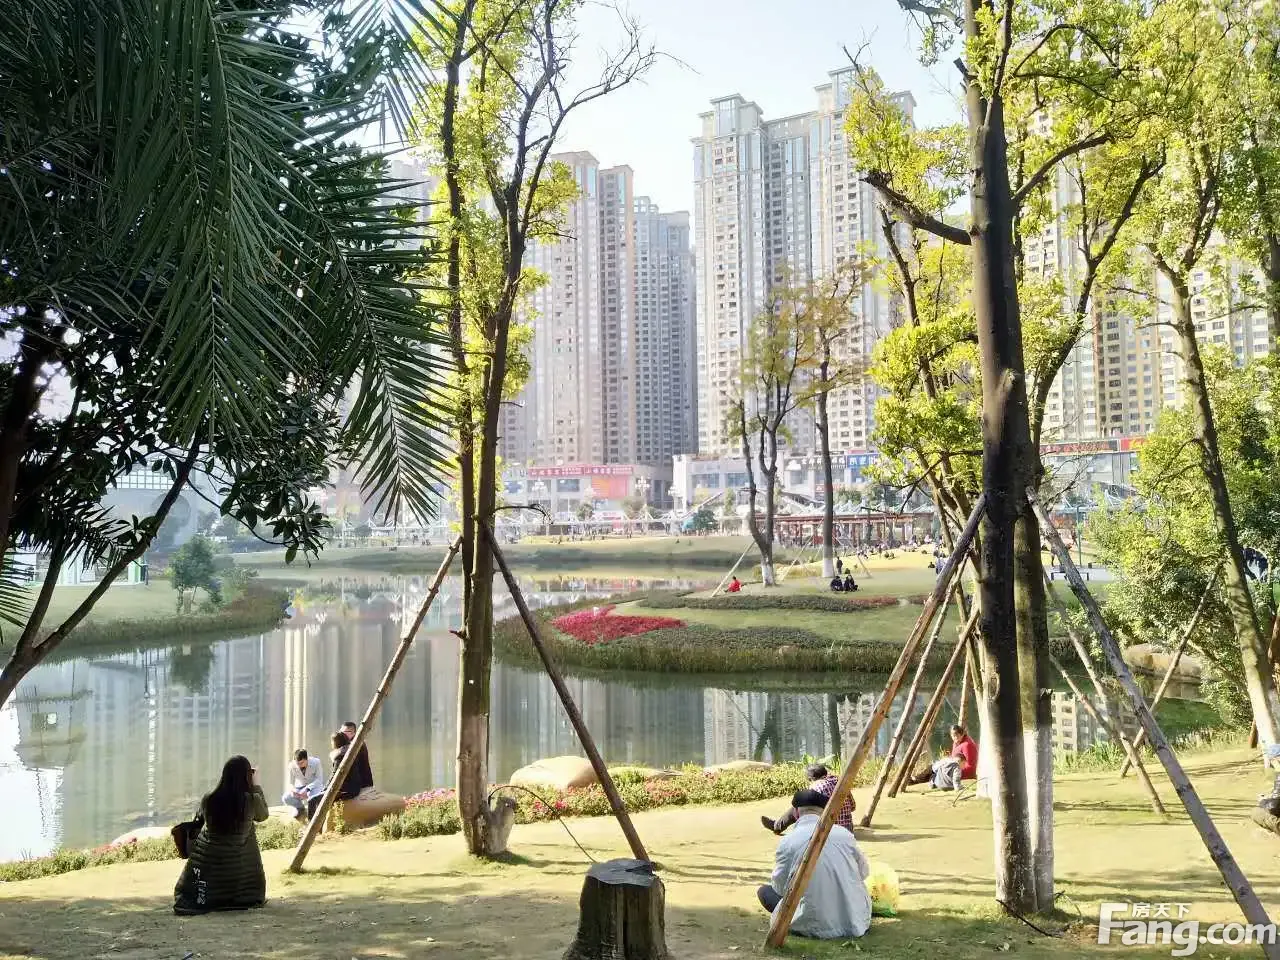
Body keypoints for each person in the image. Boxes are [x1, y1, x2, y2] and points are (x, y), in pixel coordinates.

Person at [756, 788, 872, 939]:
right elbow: (864, 872)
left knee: (764, 892)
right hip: (855, 919)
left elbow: (780, 887)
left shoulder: (788, 841)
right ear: (823, 812)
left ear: (795, 813)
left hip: (813, 923)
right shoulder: (845, 834)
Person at [173, 755, 269, 915]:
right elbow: (263, 815)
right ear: (247, 776)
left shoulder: (209, 799)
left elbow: (202, 819)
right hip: (241, 879)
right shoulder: (251, 800)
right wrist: (256, 786)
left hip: (208, 868)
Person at [761, 763, 854, 835]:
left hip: (828, 832)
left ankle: (777, 826)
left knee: (797, 808)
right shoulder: (840, 782)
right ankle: (777, 825)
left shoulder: (816, 787)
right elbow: (853, 806)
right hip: (848, 829)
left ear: (811, 779)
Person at [907, 724, 978, 791]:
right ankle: (914, 780)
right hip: (953, 767)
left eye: (957, 735)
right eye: (953, 736)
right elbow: (954, 758)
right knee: (933, 767)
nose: (955, 738)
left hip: (960, 771)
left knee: (935, 769)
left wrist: (955, 771)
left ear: (962, 734)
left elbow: (971, 767)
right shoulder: (956, 743)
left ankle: (915, 780)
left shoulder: (967, 745)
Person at [282, 748, 326, 821]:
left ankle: (313, 817)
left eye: (302, 763)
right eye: (297, 763)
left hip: (314, 787)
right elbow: (290, 782)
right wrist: (293, 790)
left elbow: (319, 779)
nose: (299, 765)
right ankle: (300, 808)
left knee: (313, 798)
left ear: (307, 759)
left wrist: (307, 789)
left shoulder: (316, 762)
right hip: (300, 787)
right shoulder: (291, 765)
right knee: (286, 798)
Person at [340, 720, 375, 791]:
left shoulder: (358, 745)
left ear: (354, 733)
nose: (343, 734)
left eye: (346, 732)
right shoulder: (346, 743)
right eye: (342, 732)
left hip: (361, 783)